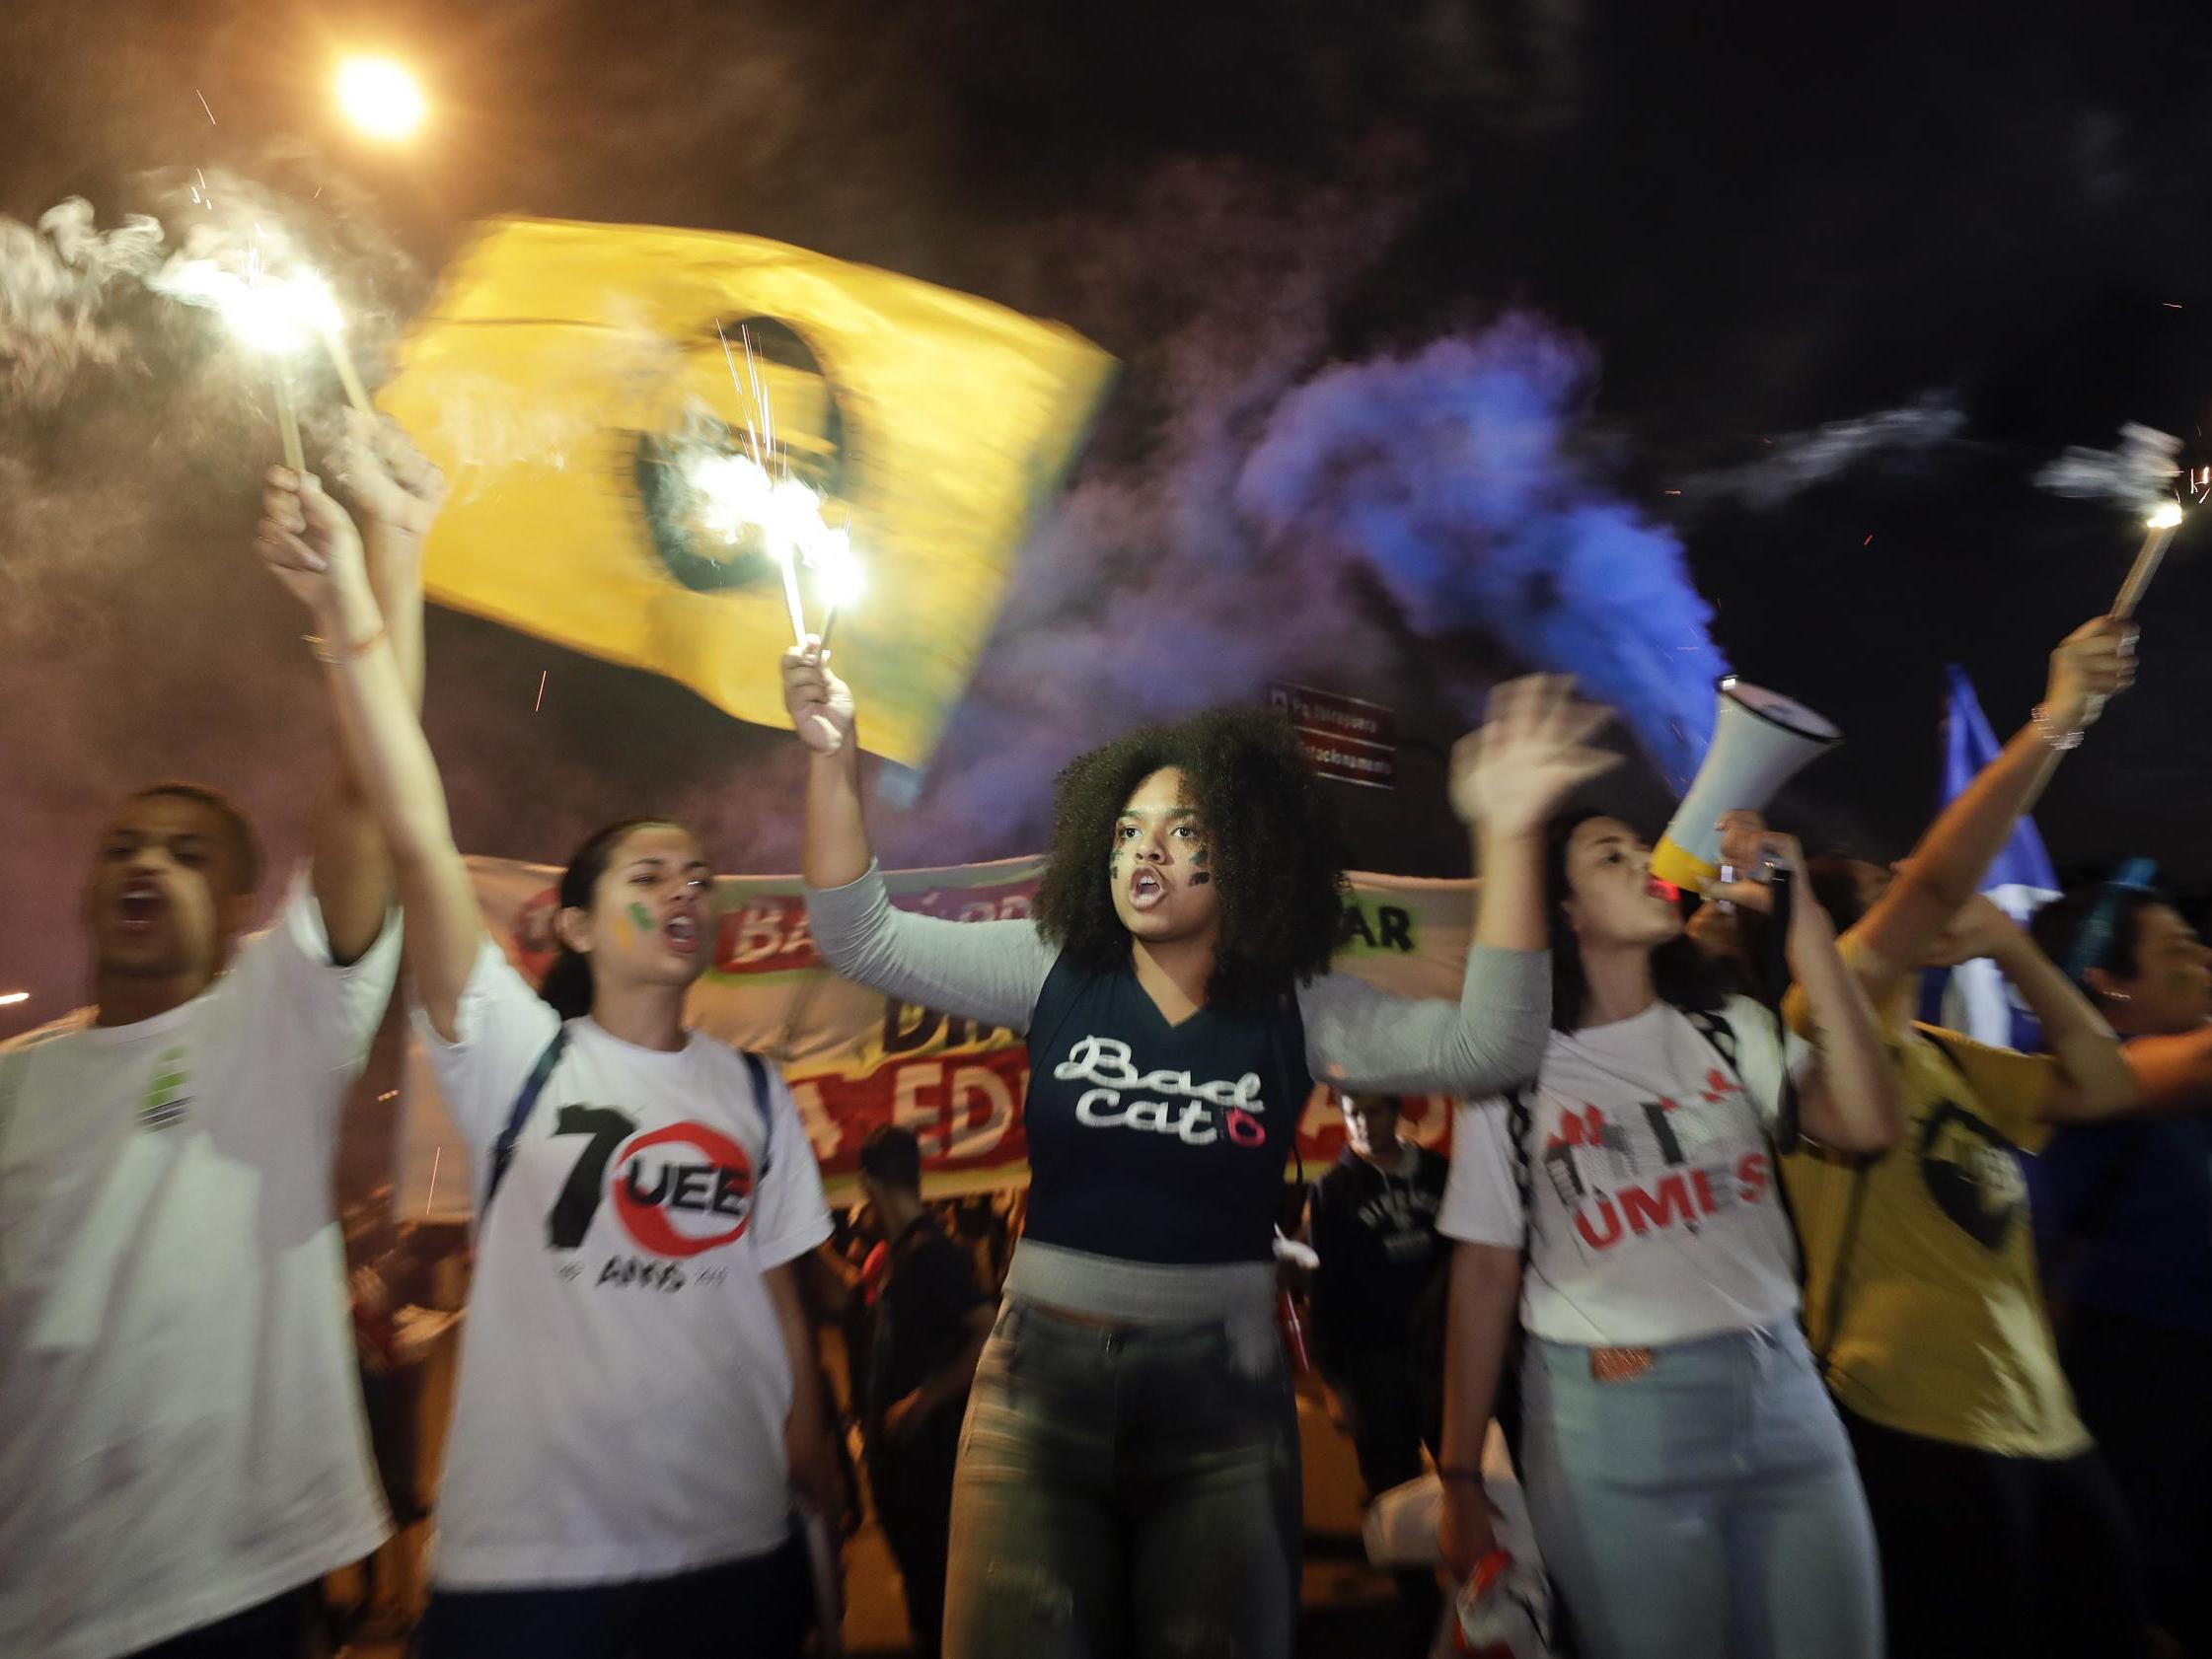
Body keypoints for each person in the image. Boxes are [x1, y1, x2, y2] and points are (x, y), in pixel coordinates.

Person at [784, 649, 1595, 1659]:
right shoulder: (1050, 967)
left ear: (1250, 854)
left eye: (1181, 830)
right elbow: (856, 935)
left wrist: (1513, 834)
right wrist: (833, 757)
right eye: (1125, 831)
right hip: (1035, 1396)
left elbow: (1494, 1046)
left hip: (1223, 1404)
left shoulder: (1302, 1004)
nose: (1142, 852)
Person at [251, 452, 839, 1659]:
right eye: (647, 872)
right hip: (534, 1578)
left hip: (741, 1556)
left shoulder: (751, 1089)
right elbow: (410, 816)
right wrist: (360, 591)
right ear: (569, 924)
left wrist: (817, 1482)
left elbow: (776, 1304)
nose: (685, 888)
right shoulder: (510, 1050)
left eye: (698, 876)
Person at [0, 413, 424, 1659]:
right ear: (88, 894)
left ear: (243, 907)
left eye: (188, 853)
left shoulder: (276, 1019)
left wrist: (384, 558)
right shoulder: (15, 1089)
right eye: (126, 845)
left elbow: (370, 789)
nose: (147, 862)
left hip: (224, 1598)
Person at [1717, 617, 2154, 1659]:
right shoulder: (1807, 1026)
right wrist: (2058, 719)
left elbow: (2103, 1083)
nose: (1902, 877)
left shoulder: (1943, 1055)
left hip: (2044, 1418)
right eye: (1875, 887)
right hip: (1914, 1418)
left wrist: (2012, 945)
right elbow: (1937, 883)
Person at [1436, 809, 1900, 1659]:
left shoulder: (1731, 1030)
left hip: (1785, 1396)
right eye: (1610, 855)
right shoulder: (1510, 1067)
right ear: (1563, 910)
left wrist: (1807, 928)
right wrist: (1461, 1474)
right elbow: (1484, 1272)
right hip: (1612, 1425)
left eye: (1646, 851)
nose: (1647, 862)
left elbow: (1871, 1122)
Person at [2028, 876, 2212, 1657]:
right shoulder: (2086, 1098)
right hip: (2137, 1387)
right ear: (2108, 984)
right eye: (2178, 950)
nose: (2205, 958)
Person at [1305, 1091, 1451, 1653]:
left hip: (1442, 1358)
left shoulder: (1440, 1175)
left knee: (1466, 1478)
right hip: (1374, 1365)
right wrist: (1336, 1385)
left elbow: (1467, 1261)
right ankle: (1421, 1617)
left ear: (1398, 1111)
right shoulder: (1333, 1190)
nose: (1363, 1123)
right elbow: (1327, 1292)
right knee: (1393, 1490)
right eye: (1352, 1113)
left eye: (1375, 1110)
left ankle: (1486, 1598)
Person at [854, 1125, 995, 1659]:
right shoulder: (905, 1252)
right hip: (908, 1471)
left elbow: (988, 1332)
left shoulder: (933, 1254)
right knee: (925, 1597)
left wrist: (922, 1402)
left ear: (869, 1184)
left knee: (940, 1606)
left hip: (932, 1470)